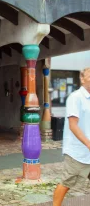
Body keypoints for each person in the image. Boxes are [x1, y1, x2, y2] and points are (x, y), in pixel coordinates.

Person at [53, 67, 90, 206]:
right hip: (77, 152)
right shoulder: (76, 97)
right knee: (67, 183)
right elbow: (73, 125)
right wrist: (88, 143)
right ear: (82, 78)